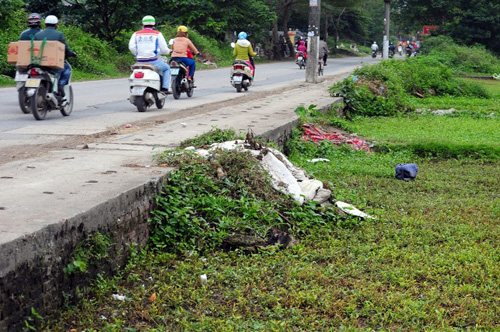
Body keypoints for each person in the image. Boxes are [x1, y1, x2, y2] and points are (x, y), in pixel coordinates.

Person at [34, 15, 77, 98]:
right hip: (53, 63)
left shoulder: (37, 35)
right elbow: (65, 48)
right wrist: (72, 54)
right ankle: (60, 85)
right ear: (56, 25)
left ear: (45, 24)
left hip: (39, 63)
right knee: (66, 69)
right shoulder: (59, 34)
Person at [129, 15, 171, 93]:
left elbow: (132, 47)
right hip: (153, 61)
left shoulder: (136, 34)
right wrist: (169, 51)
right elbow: (164, 49)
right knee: (166, 68)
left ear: (142, 24)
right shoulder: (157, 34)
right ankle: (165, 88)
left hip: (139, 61)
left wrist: (138, 55)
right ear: (154, 25)